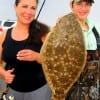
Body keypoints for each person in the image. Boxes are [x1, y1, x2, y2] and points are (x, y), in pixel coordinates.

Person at [0, 0, 52, 100]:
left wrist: (37, 57)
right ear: (15, 7)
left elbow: (55, 61)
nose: (29, 12)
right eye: (25, 6)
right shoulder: (5, 34)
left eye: (33, 8)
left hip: (39, 91)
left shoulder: (44, 33)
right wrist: (4, 73)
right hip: (10, 90)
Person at [65, 0, 100, 100]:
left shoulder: (97, 28)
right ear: (71, 5)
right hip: (73, 90)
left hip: (95, 89)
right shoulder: (63, 28)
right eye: (79, 4)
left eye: (87, 4)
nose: (83, 8)